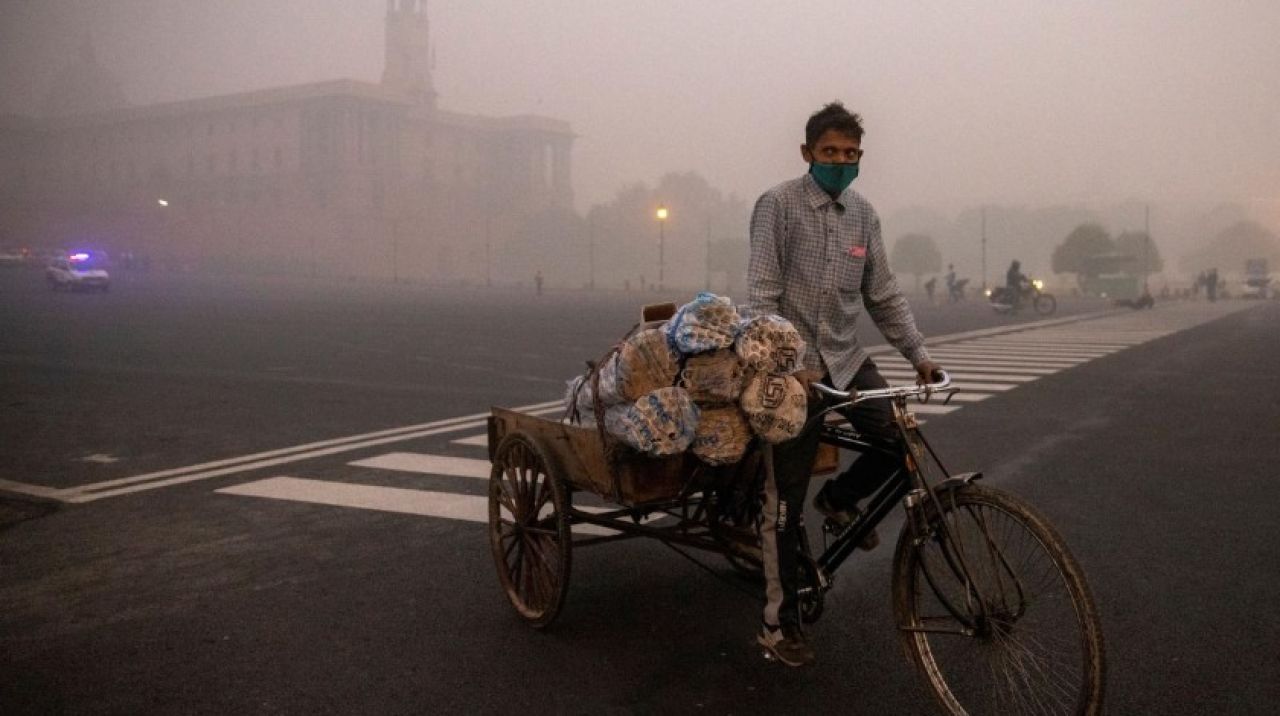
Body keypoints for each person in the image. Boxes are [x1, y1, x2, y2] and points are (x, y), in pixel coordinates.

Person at [746, 101, 942, 667]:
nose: (840, 161)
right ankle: (777, 625)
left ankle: (839, 499)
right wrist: (791, 363)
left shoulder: (864, 214)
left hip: (847, 358)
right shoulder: (778, 206)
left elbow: (882, 294)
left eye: (850, 154)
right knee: (784, 499)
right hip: (789, 368)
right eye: (830, 152)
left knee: (900, 444)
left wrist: (920, 356)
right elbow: (761, 294)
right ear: (807, 153)